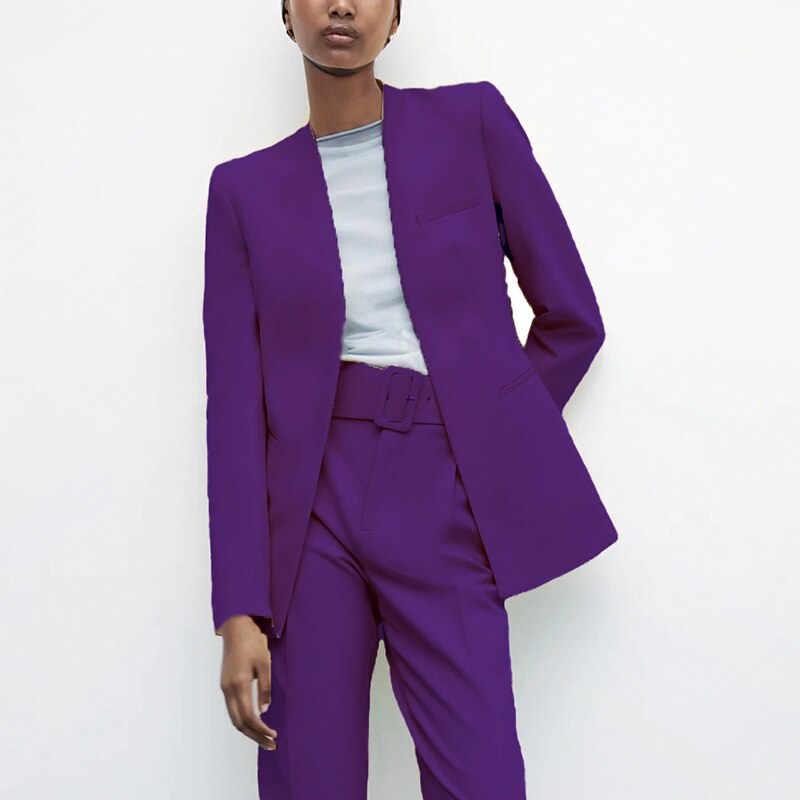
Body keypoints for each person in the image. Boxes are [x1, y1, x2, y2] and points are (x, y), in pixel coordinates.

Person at [201, 1, 619, 797]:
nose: (342, 5)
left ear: (395, 18)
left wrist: (483, 446)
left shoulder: (471, 123)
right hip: (311, 509)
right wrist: (238, 610)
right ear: (285, 14)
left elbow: (572, 321)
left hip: (441, 486)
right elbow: (235, 414)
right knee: (310, 780)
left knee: (481, 780)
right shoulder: (242, 192)